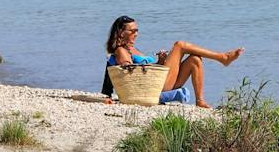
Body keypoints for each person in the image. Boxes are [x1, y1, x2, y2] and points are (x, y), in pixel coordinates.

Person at [100, 15, 242, 108]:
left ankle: (200, 101)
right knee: (179, 45)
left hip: (157, 83)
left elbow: (140, 69)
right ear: (121, 33)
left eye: (137, 30)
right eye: (132, 31)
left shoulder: (132, 49)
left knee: (194, 60)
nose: (136, 33)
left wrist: (159, 62)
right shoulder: (121, 50)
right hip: (151, 87)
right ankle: (222, 58)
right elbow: (130, 72)